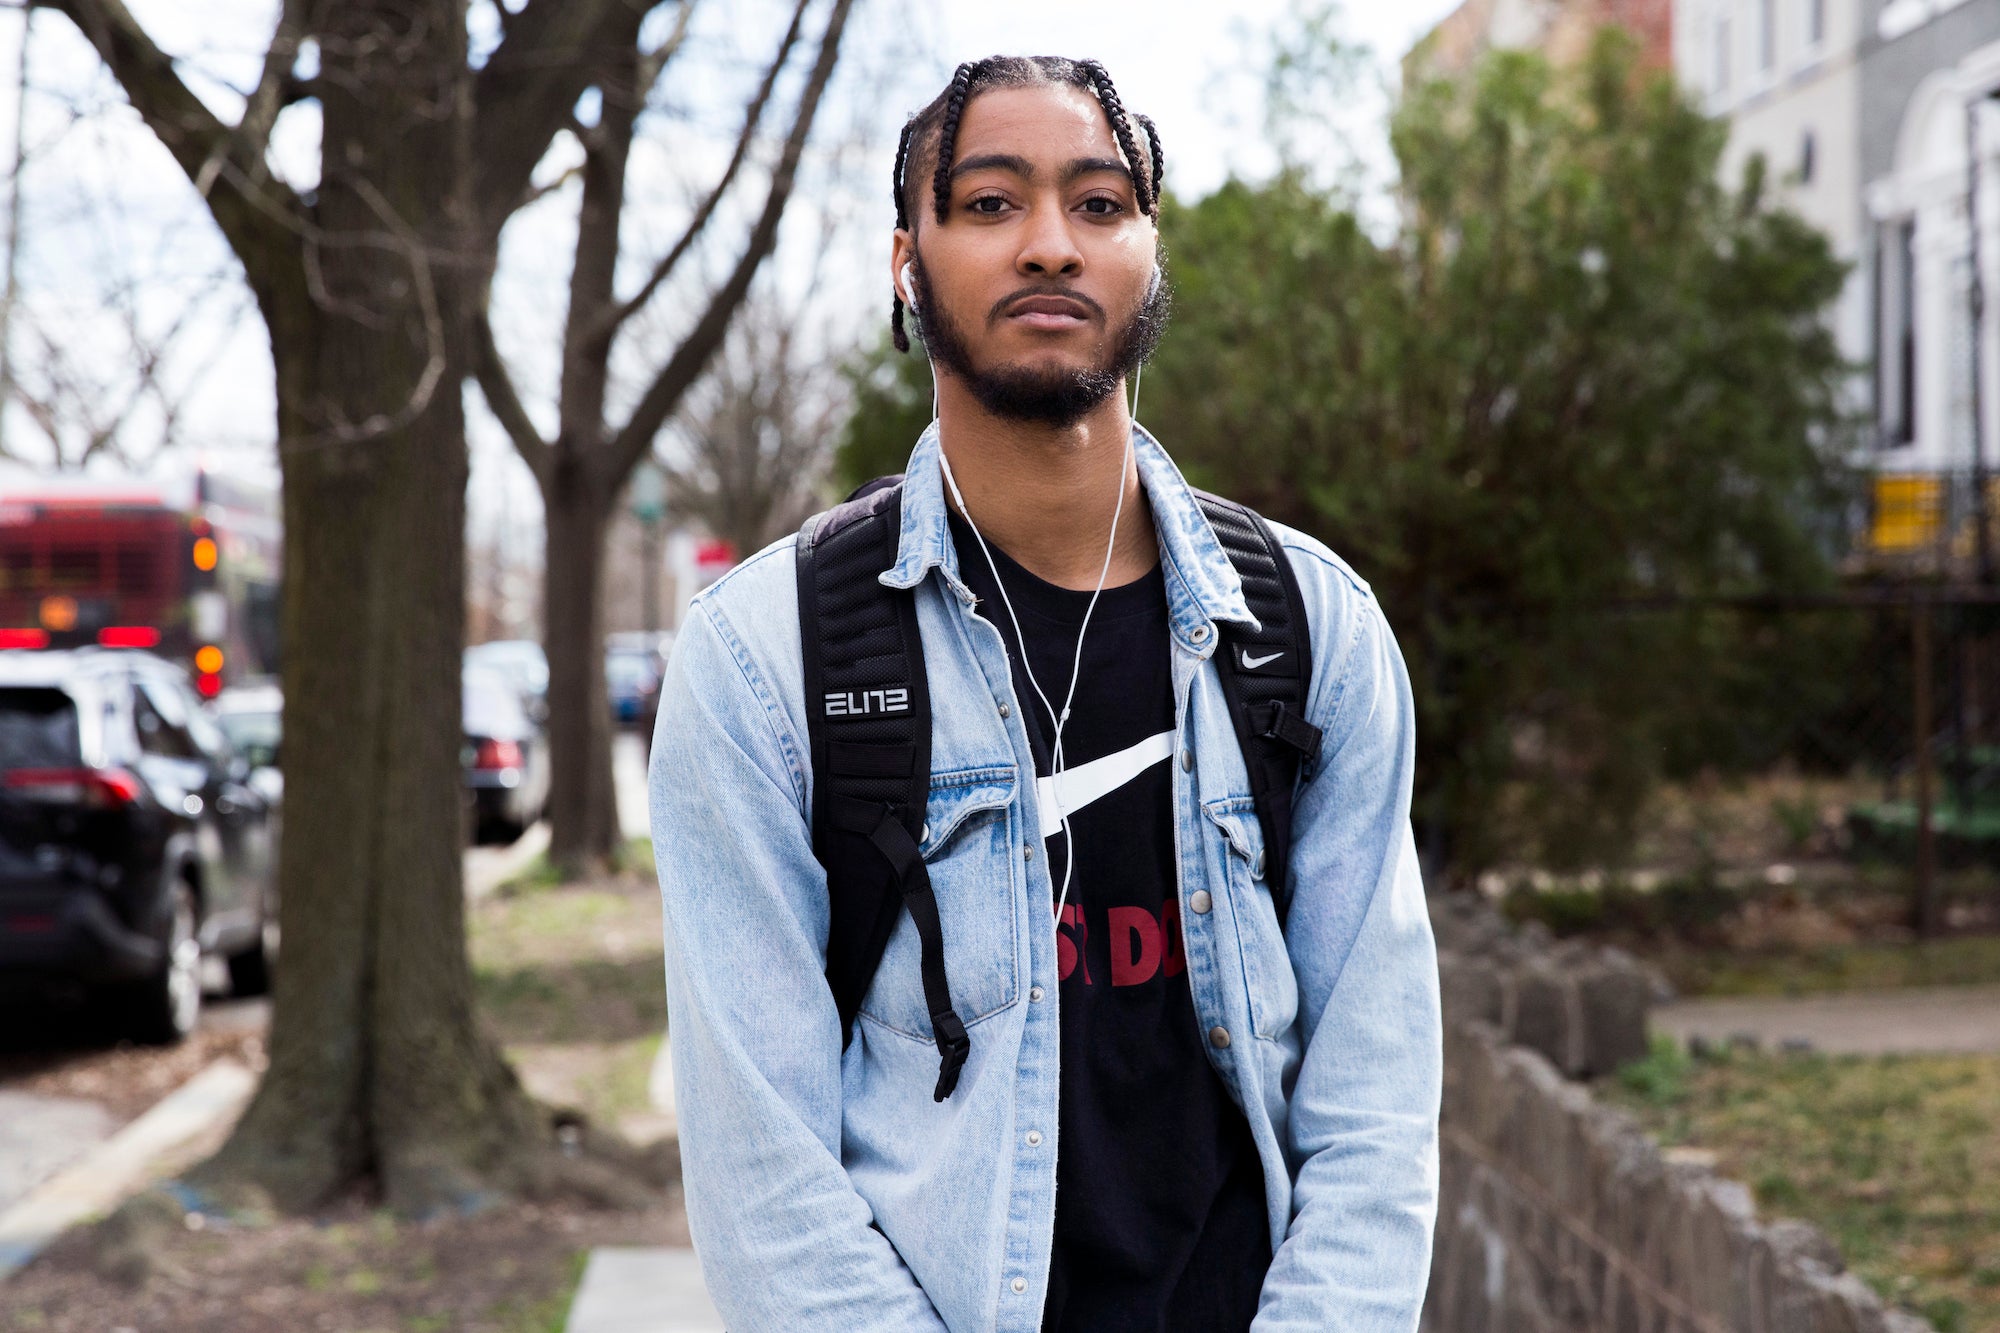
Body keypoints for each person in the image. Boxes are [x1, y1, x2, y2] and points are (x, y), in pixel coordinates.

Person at [650, 54, 1441, 1332]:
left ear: (1148, 254)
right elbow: (762, 1180)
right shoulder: (765, 660)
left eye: (1098, 202)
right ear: (905, 262)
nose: (1048, 246)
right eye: (986, 203)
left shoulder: (1308, 632)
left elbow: (1375, 1109)